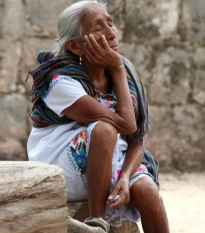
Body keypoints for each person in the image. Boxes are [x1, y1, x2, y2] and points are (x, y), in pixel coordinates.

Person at [26, 1, 170, 232]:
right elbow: (126, 124)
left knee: (148, 191)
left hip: (111, 161)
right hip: (62, 166)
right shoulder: (60, 81)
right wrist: (117, 68)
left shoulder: (124, 74)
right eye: (98, 28)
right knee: (105, 128)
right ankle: (97, 222)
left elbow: (137, 137)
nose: (111, 33)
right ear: (75, 46)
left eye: (110, 24)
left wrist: (124, 179)